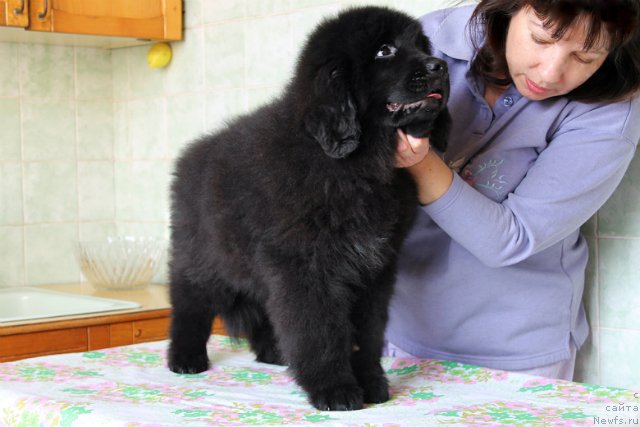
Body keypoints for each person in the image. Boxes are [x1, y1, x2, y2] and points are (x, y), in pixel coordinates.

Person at [386, 0, 640, 380]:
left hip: (517, 356)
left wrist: (419, 161)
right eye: (540, 38)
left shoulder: (612, 110)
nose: (551, 72)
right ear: (509, 9)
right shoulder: (429, 41)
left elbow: (510, 239)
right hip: (397, 335)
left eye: (585, 57)